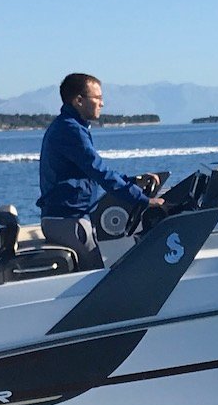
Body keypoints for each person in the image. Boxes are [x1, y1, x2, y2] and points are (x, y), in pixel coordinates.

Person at [38, 72, 163, 266]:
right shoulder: (70, 130)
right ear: (79, 100)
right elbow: (100, 172)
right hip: (69, 222)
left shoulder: (72, 127)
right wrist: (143, 200)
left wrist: (134, 181)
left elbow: (92, 172)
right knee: (94, 280)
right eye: (98, 98)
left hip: (71, 219)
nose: (102, 104)